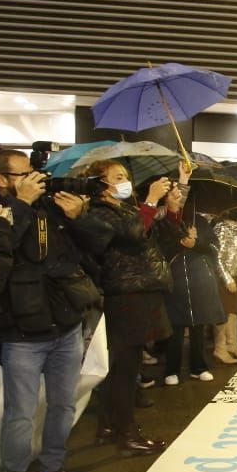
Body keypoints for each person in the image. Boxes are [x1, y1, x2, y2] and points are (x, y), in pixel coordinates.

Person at [0, 150, 104, 472]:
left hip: (65, 323)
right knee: (20, 415)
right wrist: (21, 204)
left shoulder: (51, 210)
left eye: (36, 174)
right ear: (0, 179)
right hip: (22, 332)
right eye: (25, 174)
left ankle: (50, 471)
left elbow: (92, 250)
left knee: (63, 405)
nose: (36, 180)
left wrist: (79, 217)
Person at [80, 161, 173, 456]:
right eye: (117, 177)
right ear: (100, 183)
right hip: (125, 294)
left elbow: (145, 231)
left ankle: (109, 425)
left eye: (126, 176)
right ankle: (127, 433)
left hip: (138, 290)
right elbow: (132, 234)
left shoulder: (122, 209)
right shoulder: (99, 213)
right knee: (125, 367)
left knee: (124, 366)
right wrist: (151, 200)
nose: (125, 182)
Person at [155, 181, 225, 384]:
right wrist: (180, 242)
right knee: (174, 328)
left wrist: (197, 243)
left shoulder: (201, 222)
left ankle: (198, 366)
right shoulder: (164, 221)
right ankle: (171, 370)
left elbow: (214, 247)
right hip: (174, 280)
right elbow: (158, 248)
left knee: (198, 327)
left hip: (199, 280)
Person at [211, 205, 237, 363]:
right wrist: (227, 278)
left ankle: (232, 344)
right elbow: (218, 256)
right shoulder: (221, 227)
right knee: (224, 311)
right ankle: (220, 348)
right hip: (226, 275)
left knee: (233, 311)